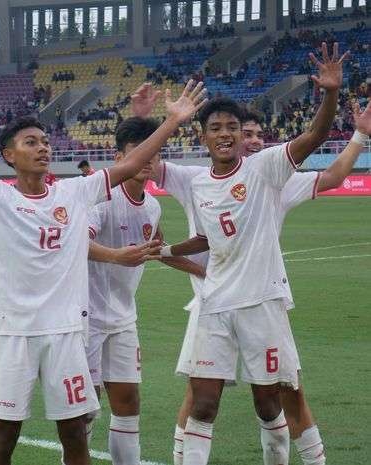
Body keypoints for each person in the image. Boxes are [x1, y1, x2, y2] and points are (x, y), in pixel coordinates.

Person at [0, 72, 207, 465]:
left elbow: (130, 165)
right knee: (4, 437)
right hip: (14, 336)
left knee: (75, 434)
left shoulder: (75, 192)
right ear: (9, 155)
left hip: (66, 335)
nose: (43, 148)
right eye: (31, 142)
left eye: (45, 142)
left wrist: (172, 121)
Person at [150, 43, 347, 465]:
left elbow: (314, 137)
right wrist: (166, 250)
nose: (225, 133)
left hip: (261, 303)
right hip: (216, 303)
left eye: (232, 127)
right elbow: (206, 236)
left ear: (242, 135)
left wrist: (330, 93)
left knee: (270, 400)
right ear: (203, 136)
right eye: (216, 127)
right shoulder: (197, 182)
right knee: (203, 402)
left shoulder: (266, 167)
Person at [85, 116, 207, 465]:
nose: (144, 162)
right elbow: (75, 242)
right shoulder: (103, 198)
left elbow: (156, 249)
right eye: (134, 154)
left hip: (123, 317)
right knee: (85, 408)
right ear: (119, 157)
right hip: (86, 317)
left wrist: (207, 274)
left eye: (151, 155)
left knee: (128, 405)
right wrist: (115, 257)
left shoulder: (152, 206)